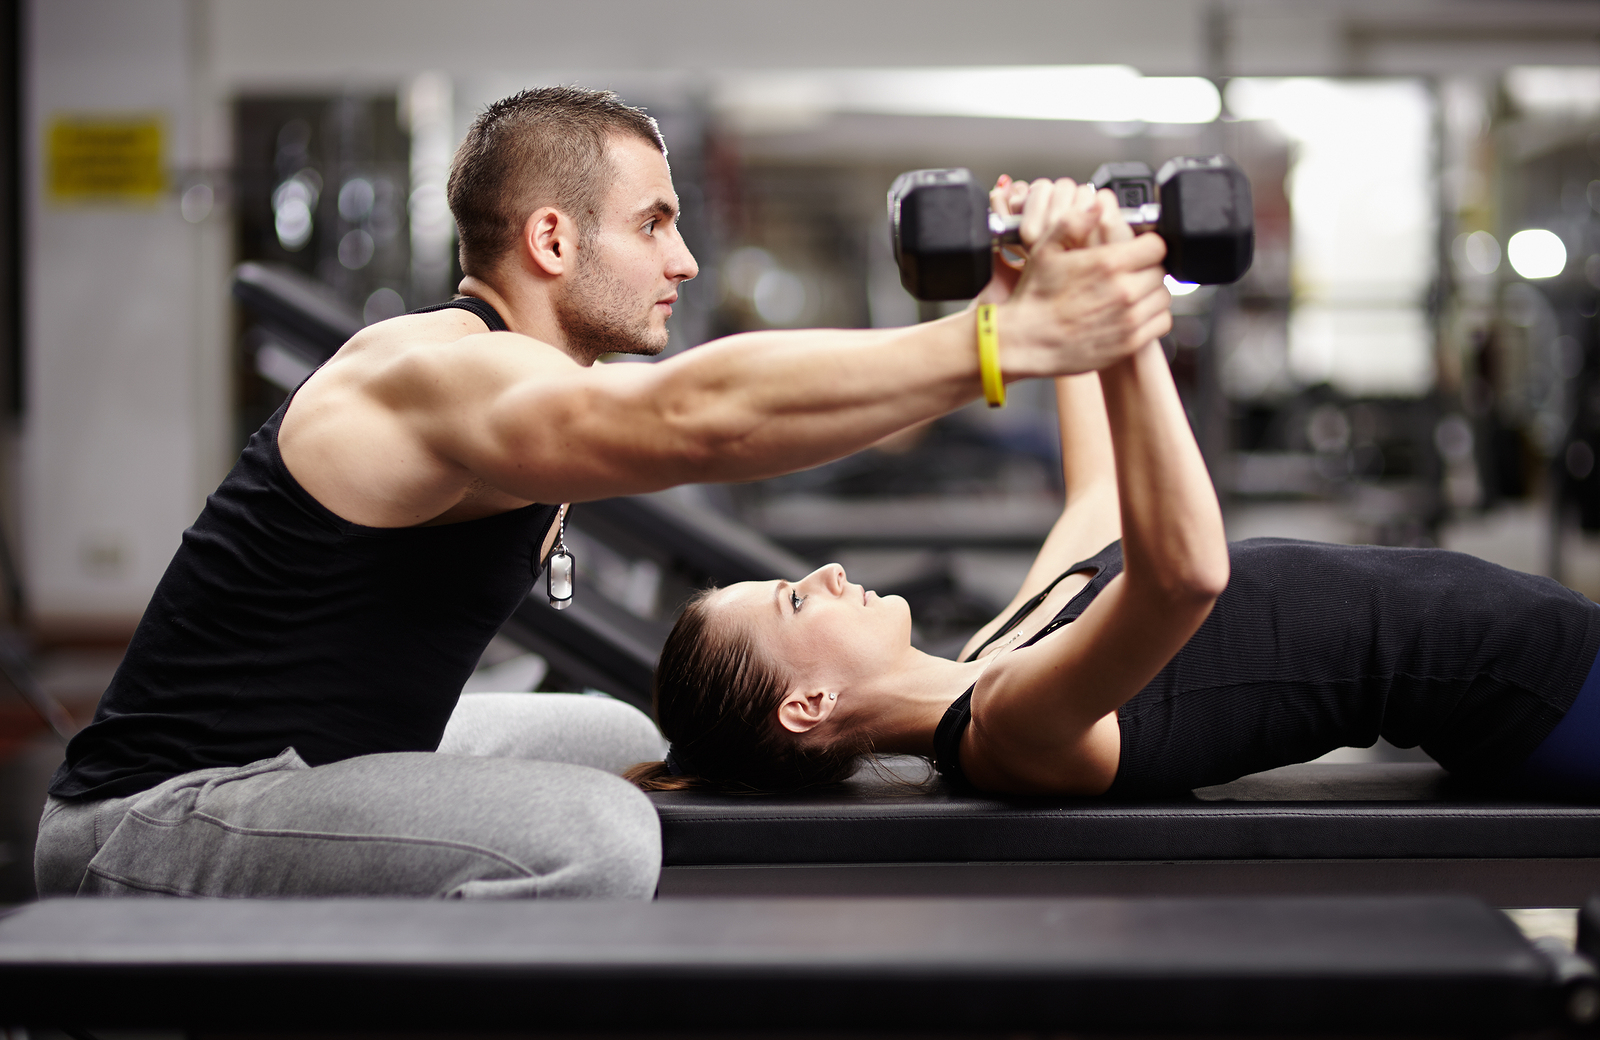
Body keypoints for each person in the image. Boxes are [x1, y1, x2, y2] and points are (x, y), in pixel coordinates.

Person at [35, 86, 1173, 899]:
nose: (681, 261)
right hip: (160, 811)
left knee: (614, 730)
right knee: (602, 835)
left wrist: (1023, 316)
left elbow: (790, 411)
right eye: (653, 224)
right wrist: (1000, 338)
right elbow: (696, 416)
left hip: (315, 761)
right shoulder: (431, 371)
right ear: (549, 237)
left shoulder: (520, 374)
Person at [634, 179, 1600, 801]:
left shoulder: (992, 654)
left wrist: (1030, 298)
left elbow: (1096, 498)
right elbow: (1183, 576)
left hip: (1529, 643)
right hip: (1532, 690)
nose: (829, 570)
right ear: (805, 705)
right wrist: (1119, 308)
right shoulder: (1006, 727)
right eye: (794, 598)